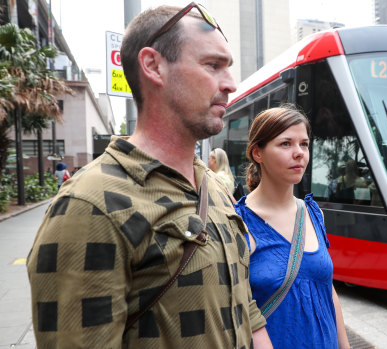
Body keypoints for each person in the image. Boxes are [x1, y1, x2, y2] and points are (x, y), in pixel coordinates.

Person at [27, 4, 271, 348]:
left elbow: (246, 311)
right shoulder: (89, 206)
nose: (230, 84)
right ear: (153, 66)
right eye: (213, 65)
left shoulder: (213, 189)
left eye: (228, 67)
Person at [234, 107, 350, 349]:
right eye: (286, 144)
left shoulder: (313, 213)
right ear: (258, 153)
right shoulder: (238, 222)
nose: (299, 153)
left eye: (304, 144)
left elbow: (327, 289)